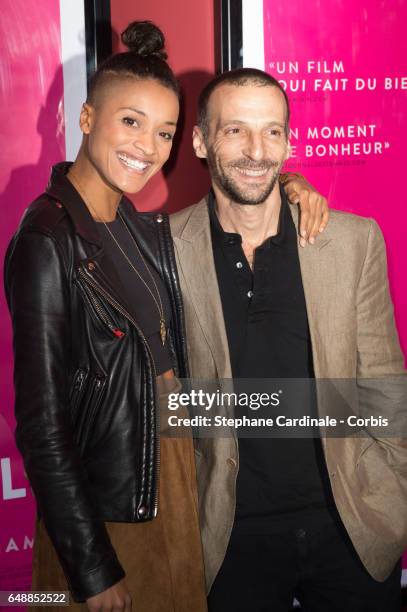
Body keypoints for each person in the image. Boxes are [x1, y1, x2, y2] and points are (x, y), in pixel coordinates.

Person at [4, 22, 326, 612]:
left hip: (170, 488)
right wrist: (92, 569)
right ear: (85, 119)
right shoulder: (48, 238)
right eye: (130, 122)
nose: (146, 147)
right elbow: (42, 427)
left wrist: (291, 184)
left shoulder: (132, 224)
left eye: (164, 132)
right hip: (111, 513)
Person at [170, 68, 407, 611]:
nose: (257, 150)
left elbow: (384, 387)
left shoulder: (352, 241)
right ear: (202, 141)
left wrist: (391, 501)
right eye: (235, 131)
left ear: (289, 140)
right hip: (228, 542)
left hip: (350, 528)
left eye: (272, 131)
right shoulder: (164, 251)